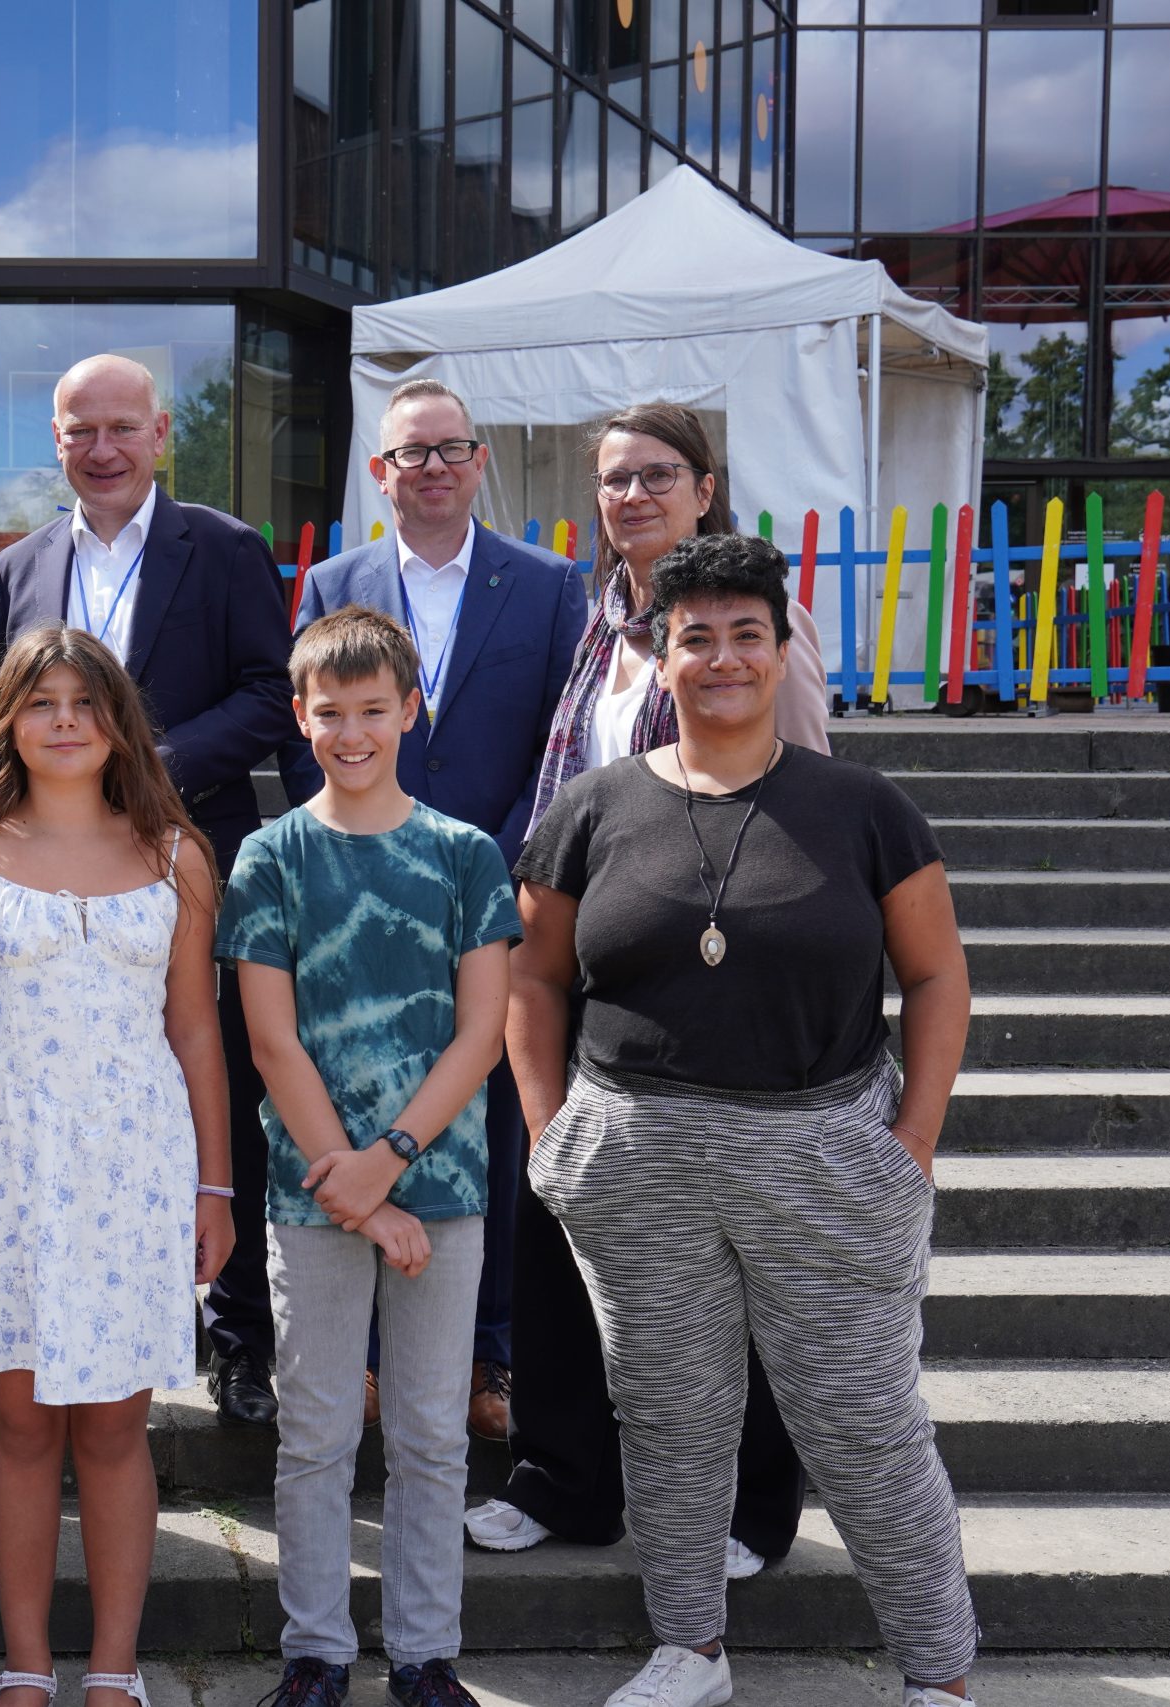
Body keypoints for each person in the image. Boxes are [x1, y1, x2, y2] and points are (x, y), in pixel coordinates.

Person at [512, 534, 976, 1707]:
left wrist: (909, 1144)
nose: (720, 658)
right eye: (694, 637)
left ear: (781, 648)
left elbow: (936, 978)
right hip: (635, 1153)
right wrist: (548, 1132)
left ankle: (937, 1673)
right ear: (657, 657)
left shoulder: (861, 808)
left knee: (865, 1425)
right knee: (668, 1418)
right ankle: (690, 1649)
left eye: (744, 634)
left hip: (821, 1153)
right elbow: (532, 978)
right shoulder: (591, 806)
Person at [466, 401, 826, 1571]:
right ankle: (565, 1479)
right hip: (571, 960)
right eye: (615, 478)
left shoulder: (766, 626)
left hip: (707, 975)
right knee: (559, 1219)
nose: (632, 496)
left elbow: (805, 805)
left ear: (705, 487)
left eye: (657, 475)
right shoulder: (596, 623)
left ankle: (748, 1507)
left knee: (731, 1250)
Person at [0, 626, 237, 1707]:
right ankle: (27, 1663)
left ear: (117, 724)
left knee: (115, 1424)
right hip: (3, 1166)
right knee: (21, 1421)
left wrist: (215, 1188)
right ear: (7, 720)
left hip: (136, 1166)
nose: (63, 723)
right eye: (39, 703)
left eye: (84, 705)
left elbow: (195, 1034)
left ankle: (114, 1667)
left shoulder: (176, 856)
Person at [0, 353, 296, 1428]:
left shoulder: (227, 549)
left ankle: (238, 1335)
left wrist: (141, 769)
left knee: (215, 1070)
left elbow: (270, 694)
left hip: (185, 854)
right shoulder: (18, 566)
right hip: (44, 874)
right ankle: (52, 1307)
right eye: (79, 432)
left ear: (161, 433)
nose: (101, 450)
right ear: (56, 441)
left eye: (121, 428)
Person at [223, 608, 517, 1707]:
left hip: (441, 1187)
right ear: (299, 718)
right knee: (314, 1430)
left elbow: (480, 1030)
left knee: (435, 1430)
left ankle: (425, 1652)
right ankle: (316, 1650)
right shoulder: (270, 856)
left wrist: (386, 1164)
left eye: (373, 711)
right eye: (329, 712)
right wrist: (346, 1183)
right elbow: (269, 1038)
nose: (352, 732)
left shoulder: (463, 854)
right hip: (310, 1192)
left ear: (409, 711)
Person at [286, 378, 587, 1440]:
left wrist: (496, 868)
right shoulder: (334, 581)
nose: (431, 469)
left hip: (496, 895)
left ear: (478, 462)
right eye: (409, 454)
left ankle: (485, 1361)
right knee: (372, 1102)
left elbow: (562, 748)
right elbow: (316, 733)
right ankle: (368, 1360)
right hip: (362, 902)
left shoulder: (550, 587)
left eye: (449, 449)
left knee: (493, 1126)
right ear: (379, 472)